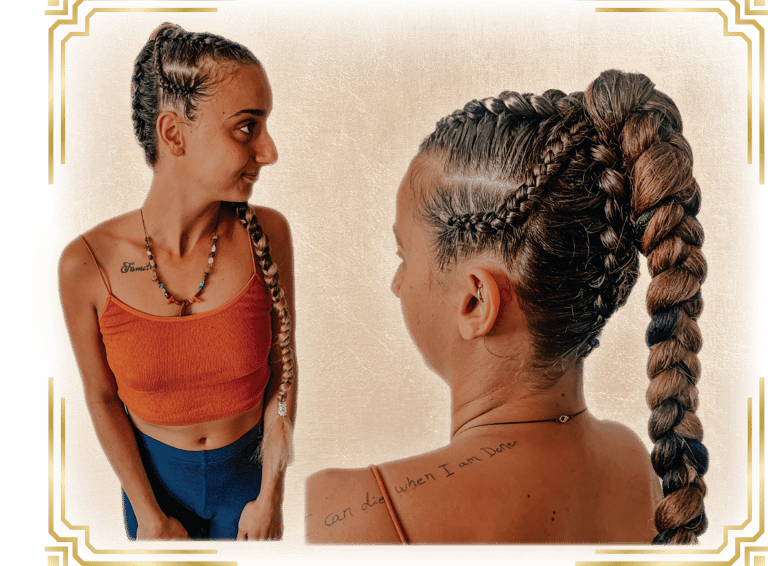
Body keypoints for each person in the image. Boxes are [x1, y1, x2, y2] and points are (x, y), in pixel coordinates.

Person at [306, 70, 707, 545]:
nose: (397, 284)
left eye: (404, 256)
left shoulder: (348, 512)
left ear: (476, 301)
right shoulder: (632, 462)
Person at [58, 23, 297, 541]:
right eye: (246, 127)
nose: (269, 151)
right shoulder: (86, 264)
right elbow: (101, 398)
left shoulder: (268, 235)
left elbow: (284, 374)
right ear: (173, 134)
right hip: (155, 503)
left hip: (249, 496)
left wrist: (270, 496)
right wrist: (148, 514)